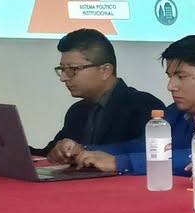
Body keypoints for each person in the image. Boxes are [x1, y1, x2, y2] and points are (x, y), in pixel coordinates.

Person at [65, 34, 195, 175]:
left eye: (181, 76)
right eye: (170, 76)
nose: (171, 86)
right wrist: (86, 152)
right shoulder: (175, 113)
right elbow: (141, 146)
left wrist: (119, 163)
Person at [37, 29, 163, 158]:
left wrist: (85, 151)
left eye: (72, 69)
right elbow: (48, 154)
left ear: (105, 71)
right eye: (62, 69)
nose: (63, 78)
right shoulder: (77, 111)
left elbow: (146, 153)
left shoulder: (143, 106)